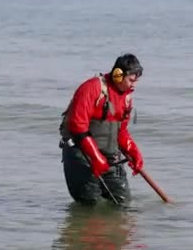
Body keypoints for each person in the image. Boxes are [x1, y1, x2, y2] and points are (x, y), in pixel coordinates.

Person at [58, 53, 144, 205]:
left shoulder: (126, 99)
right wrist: (96, 157)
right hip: (82, 157)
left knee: (123, 203)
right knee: (90, 206)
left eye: (136, 81)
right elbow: (78, 126)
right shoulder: (92, 88)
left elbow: (121, 132)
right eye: (131, 80)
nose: (133, 85)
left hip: (110, 158)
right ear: (118, 75)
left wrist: (134, 152)